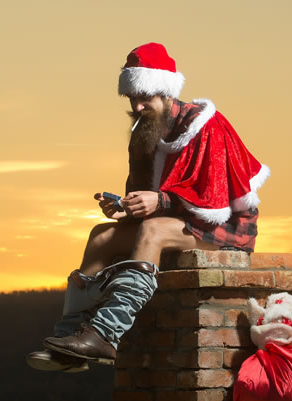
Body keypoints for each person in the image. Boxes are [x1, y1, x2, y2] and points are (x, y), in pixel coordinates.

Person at [26, 42, 269, 373]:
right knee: (101, 237)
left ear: (166, 92)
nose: (138, 107)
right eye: (132, 99)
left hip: (224, 224)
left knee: (152, 231)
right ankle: (69, 344)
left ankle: (105, 335)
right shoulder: (144, 129)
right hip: (176, 215)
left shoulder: (204, 125)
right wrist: (126, 208)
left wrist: (161, 202)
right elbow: (145, 192)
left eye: (146, 98)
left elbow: (212, 196)